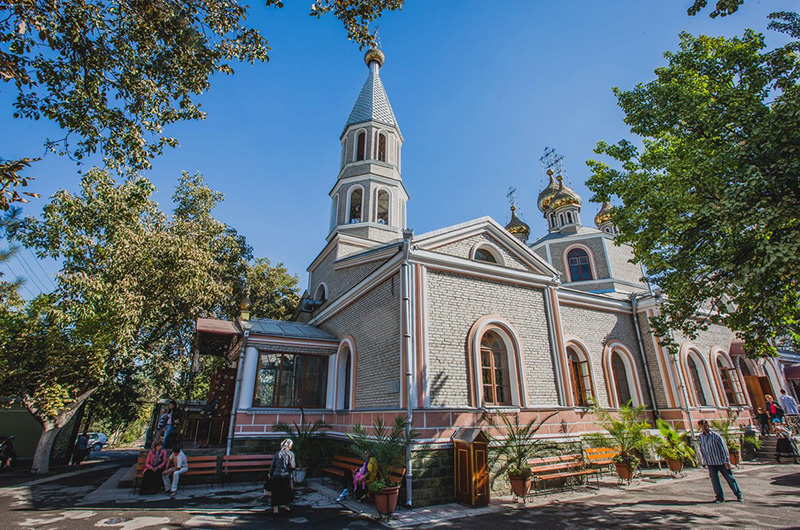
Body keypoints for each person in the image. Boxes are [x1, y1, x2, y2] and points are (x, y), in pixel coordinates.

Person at [696, 419, 743, 503]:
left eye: (703, 426)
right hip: (711, 462)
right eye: (700, 426)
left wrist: (726, 461)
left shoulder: (716, 436)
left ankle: (738, 494)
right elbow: (702, 449)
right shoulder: (701, 437)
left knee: (730, 478)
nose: (702, 428)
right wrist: (704, 460)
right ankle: (719, 497)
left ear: (707, 425)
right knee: (715, 481)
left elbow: (723, 449)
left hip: (721, 462)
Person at [268, 439, 295, 515]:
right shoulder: (291, 454)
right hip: (287, 476)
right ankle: (287, 507)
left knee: (276, 492)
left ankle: (275, 509)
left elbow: (273, 465)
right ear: (289, 446)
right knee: (288, 492)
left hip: (276, 476)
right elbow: (292, 465)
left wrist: (270, 473)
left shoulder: (277, 454)